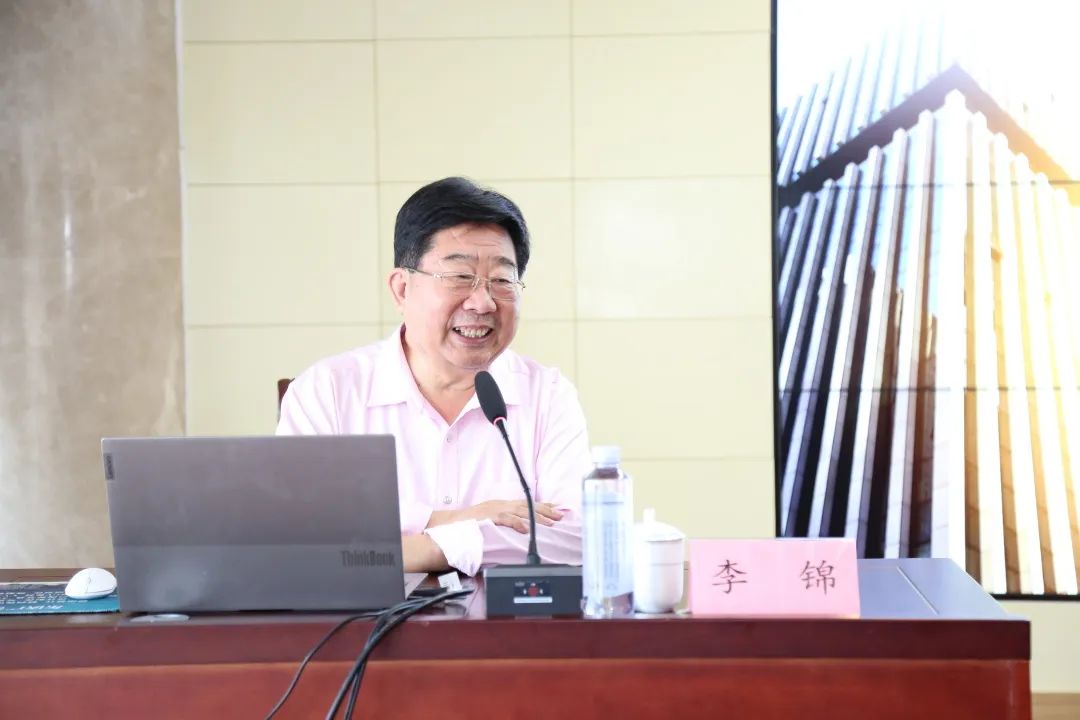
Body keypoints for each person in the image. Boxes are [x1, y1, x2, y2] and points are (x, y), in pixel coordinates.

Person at [276, 177, 592, 576]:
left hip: (503, 617)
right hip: (367, 617)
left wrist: (427, 548)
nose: (483, 302)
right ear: (402, 289)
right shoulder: (329, 392)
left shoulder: (547, 394)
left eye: (501, 280)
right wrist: (462, 518)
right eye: (459, 277)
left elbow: (579, 537)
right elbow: (299, 536)